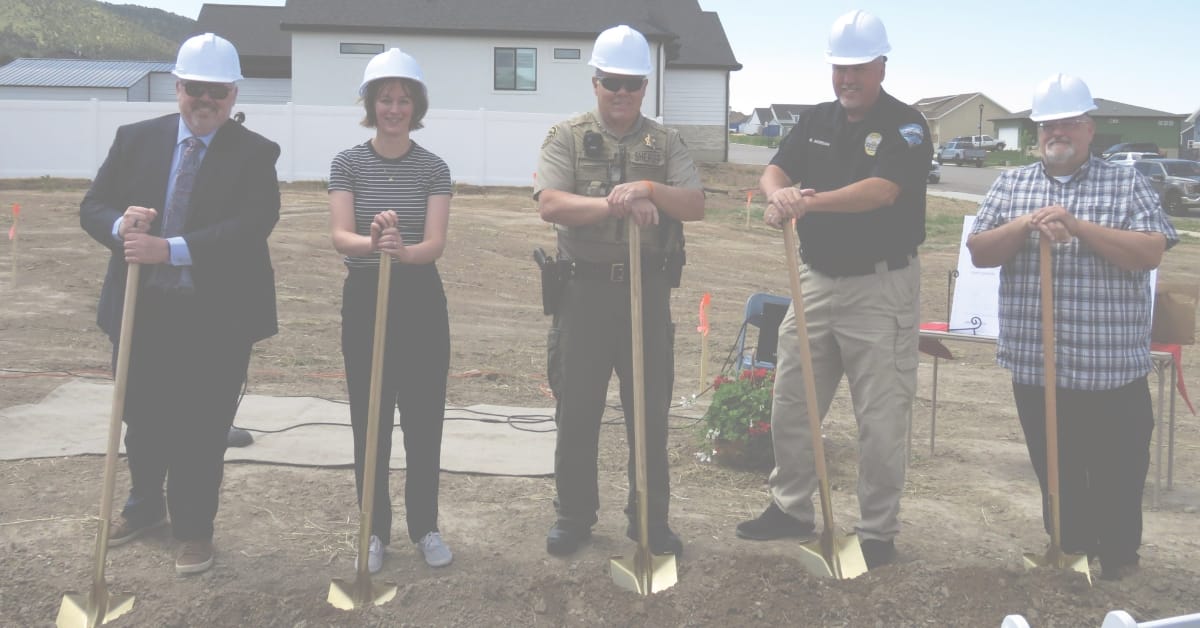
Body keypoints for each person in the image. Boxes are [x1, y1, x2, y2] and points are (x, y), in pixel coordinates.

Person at [734, 9, 931, 571]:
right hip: (815, 283)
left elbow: (883, 191)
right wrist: (779, 195)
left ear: (881, 67)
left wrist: (808, 200)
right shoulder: (816, 119)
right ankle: (791, 507)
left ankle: (875, 532)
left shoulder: (905, 125)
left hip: (880, 288)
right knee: (792, 400)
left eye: (859, 68)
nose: (848, 78)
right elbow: (776, 170)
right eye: (840, 67)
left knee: (881, 417)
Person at [79, 33, 280, 575]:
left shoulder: (256, 154)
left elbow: (251, 225)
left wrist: (169, 249)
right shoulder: (134, 139)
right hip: (141, 313)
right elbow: (93, 205)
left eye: (217, 90)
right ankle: (145, 509)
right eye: (195, 88)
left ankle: (194, 530)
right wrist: (122, 226)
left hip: (213, 319)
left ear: (234, 94)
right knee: (142, 420)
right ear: (178, 87)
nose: (204, 100)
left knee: (202, 427)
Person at [966, 74, 1177, 581]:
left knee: (1120, 470)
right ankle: (1068, 547)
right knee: (1055, 467)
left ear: (1088, 128)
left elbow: (1149, 251)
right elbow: (980, 251)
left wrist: (1078, 226)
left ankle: (1120, 558)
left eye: (1067, 122)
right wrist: (1025, 224)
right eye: (1046, 124)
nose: (1055, 132)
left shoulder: (1125, 183)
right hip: (1039, 366)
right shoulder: (1011, 184)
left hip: (1111, 367)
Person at [534, 25, 705, 557]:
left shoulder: (666, 141)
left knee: (649, 411)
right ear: (596, 83)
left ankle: (650, 520)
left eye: (632, 83)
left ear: (644, 87)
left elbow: (695, 204)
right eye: (612, 82)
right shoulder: (566, 135)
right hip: (583, 295)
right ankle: (574, 516)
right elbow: (551, 203)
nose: (622, 92)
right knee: (578, 410)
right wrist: (617, 202)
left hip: (647, 293)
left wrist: (650, 189)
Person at [328, 48, 453, 573]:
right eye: (385, 99)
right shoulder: (348, 163)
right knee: (371, 419)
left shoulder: (434, 167)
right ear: (370, 104)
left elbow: (435, 243)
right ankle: (373, 530)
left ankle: (424, 526)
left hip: (420, 299)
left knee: (423, 419)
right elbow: (340, 235)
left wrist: (403, 251)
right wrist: (371, 240)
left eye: (404, 100)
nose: (395, 109)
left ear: (416, 105)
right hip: (365, 298)